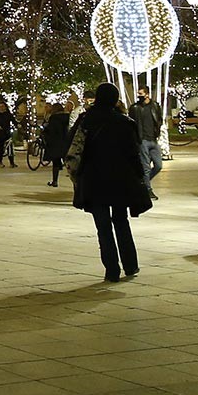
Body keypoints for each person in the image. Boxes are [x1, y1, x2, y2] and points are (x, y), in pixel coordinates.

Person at [68, 84, 148, 282]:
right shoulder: (124, 122)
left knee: (102, 226)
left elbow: (73, 151)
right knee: (121, 221)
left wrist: (76, 178)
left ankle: (111, 269)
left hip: (94, 180)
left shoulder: (86, 121)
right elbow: (134, 155)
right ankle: (130, 264)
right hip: (120, 179)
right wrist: (140, 178)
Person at [128, 87, 163, 190]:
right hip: (142, 140)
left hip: (153, 139)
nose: (139, 96)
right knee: (146, 167)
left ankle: (142, 182)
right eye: (138, 93)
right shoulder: (135, 108)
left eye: (141, 93)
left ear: (147, 94)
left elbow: (158, 120)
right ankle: (147, 189)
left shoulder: (155, 106)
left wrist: (157, 131)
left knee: (158, 166)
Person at [40, 100, 73, 187]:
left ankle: (55, 181)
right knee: (68, 161)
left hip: (56, 143)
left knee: (56, 163)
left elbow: (51, 130)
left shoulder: (53, 118)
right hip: (66, 141)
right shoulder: (68, 117)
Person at [0, 98, 15, 167]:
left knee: (9, 148)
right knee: (1, 148)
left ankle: (12, 162)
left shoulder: (8, 114)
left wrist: (18, 124)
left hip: (7, 132)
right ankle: (0, 162)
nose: (1, 108)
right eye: (0, 107)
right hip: (1, 133)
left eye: (3, 106)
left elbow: (13, 120)